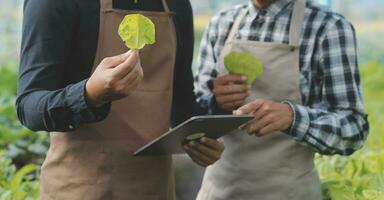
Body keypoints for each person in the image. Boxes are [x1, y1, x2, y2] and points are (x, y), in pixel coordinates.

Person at [17, 0, 224, 199]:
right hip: (79, 187)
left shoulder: (177, 5)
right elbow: (29, 106)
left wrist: (202, 139)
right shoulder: (55, 3)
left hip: (153, 189)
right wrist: (88, 94)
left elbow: (182, 107)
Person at [194, 0, 369, 199]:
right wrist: (216, 104)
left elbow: (353, 129)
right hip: (218, 192)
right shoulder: (221, 24)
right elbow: (195, 116)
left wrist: (293, 117)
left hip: (290, 193)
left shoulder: (327, 27)